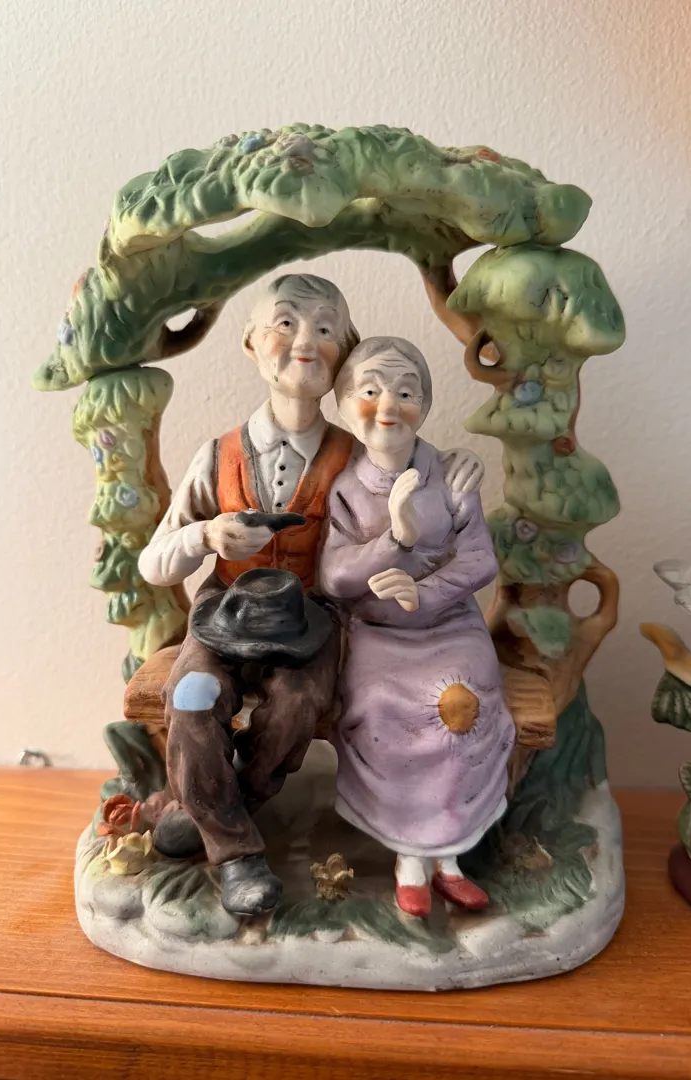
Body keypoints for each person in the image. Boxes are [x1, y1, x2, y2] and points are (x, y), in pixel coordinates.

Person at [138, 276, 485, 916]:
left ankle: (214, 806)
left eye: (325, 329)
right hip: (224, 613)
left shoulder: (359, 453)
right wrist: (206, 535)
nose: (305, 341)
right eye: (286, 323)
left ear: (343, 352)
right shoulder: (216, 456)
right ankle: (237, 854)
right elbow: (154, 563)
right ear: (251, 342)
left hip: (310, 621)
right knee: (192, 696)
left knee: (299, 705)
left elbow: (419, 466)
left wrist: (458, 465)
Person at [320, 336, 516, 918]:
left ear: (425, 406)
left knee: (459, 705)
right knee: (383, 708)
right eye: (370, 391)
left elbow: (479, 559)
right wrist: (395, 540)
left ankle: (450, 855)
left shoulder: (450, 476)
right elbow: (334, 577)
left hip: (451, 626)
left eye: (406, 393)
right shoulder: (346, 489)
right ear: (343, 404)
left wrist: (423, 592)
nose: (388, 407)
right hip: (377, 634)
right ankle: (411, 858)